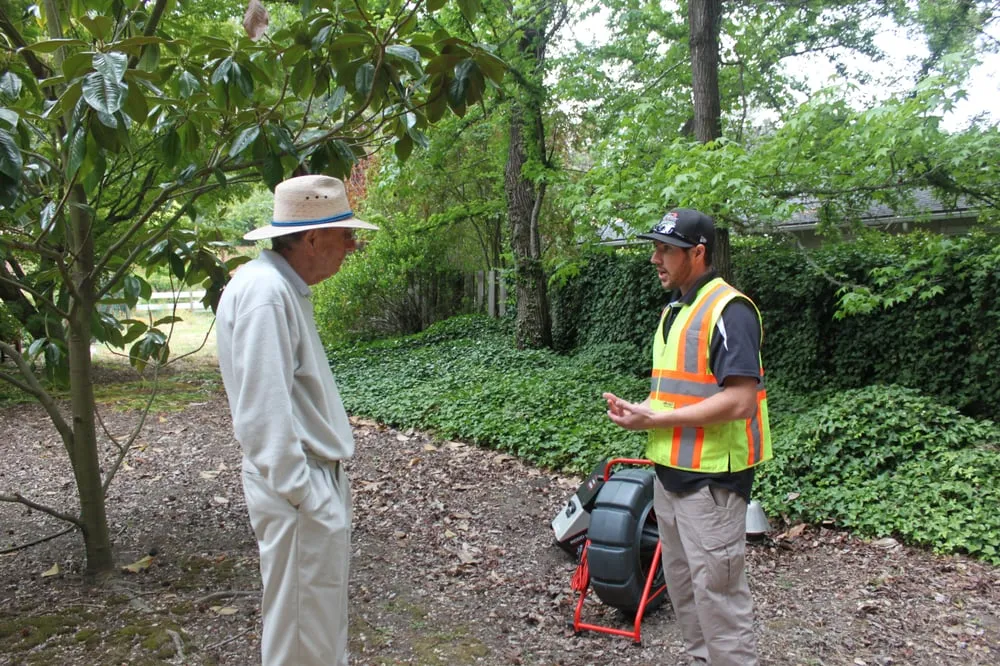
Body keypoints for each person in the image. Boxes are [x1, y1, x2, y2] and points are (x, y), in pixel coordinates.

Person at [215, 174, 377, 666]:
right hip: (298, 485)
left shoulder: (277, 286)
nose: (352, 246)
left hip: (306, 480)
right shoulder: (267, 293)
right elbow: (263, 410)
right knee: (304, 640)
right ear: (311, 237)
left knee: (314, 628)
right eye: (345, 234)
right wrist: (302, 492)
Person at [602, 208, 772, 666]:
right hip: (671, 479)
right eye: (655, 248)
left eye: (666, 250)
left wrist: (654, 422)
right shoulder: (677, 309)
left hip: (712, 486)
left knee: (718, 599)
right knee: (685, 594)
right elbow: (679, 394)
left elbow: (740, 401)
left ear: (697, 253)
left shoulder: (729, 310)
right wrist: (643, 409)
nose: (656, 258)